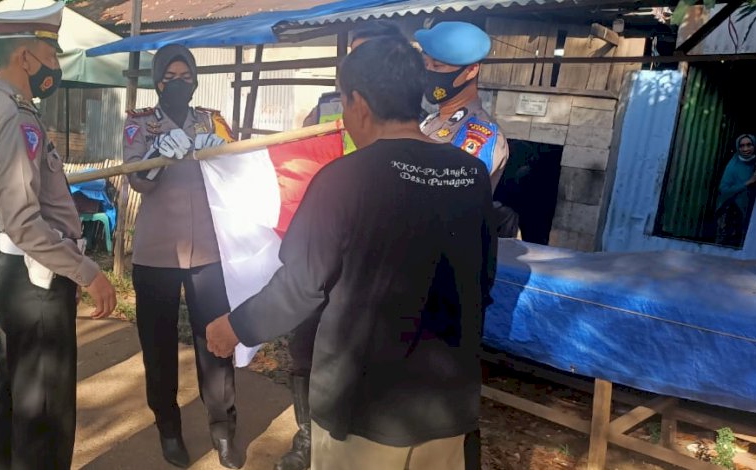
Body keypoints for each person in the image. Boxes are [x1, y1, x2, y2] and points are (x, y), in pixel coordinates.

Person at [205, 38, 495, 470]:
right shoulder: (471, 175)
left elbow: (301, 288)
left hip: (364, 414)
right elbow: (482, 280)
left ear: (357, 101)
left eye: (342, 101)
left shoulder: (345, 179)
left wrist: (235, 326)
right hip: (446, 410)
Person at [0, 4, 118, 469]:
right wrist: (89, 272)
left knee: (14, 402)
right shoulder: (16, 116)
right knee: (45, 417)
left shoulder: (4, 104)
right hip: (37, 281)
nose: (56, 61)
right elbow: (24, 221)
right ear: (24, 58)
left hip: (20, 275)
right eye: (50, 51)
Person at [276, 19, 404, 470]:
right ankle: (308, 437)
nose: (356, 62)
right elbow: (305, 158)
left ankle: (353, 441)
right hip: (328, 241)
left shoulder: (408, 114)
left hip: (375, 256)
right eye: (351, 53)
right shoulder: (329, 105)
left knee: (363, 354)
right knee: (305, 347)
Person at [123, 43, 243, 469]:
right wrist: (158, 157)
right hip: (157, 254)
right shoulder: (139, 125)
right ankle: (168, 429)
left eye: (185, 76)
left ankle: (223, 429)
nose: (178, 84)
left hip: (208, 253)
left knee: (216, 343)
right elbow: (136, 179)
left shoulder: (212, 121)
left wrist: (223, 152)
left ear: (195, 80)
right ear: (157, 82)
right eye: (169, 77)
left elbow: (238, 169)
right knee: (157, 347)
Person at [417, 21, 518, 239]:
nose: (429, 72)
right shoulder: (430, 121)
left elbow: (447, 202)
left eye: (438, 66)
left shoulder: (481, 134)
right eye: (426, 64)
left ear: (471, 70)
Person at [715, 134, 756, 246]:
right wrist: (748, 182)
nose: (745, 149)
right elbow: (724, 190)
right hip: (730, 212)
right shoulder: (733, 167)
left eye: (749, 145)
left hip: (752, 212)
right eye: (742, 146)